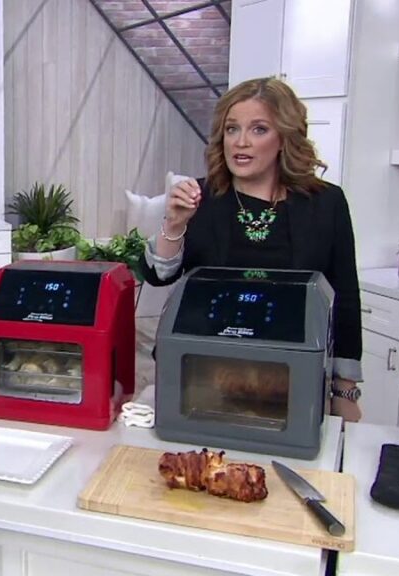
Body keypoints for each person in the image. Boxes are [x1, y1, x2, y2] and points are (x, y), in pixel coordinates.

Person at [141, 77, 363, 422]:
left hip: (292, 375)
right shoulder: (199, 196)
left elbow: (345, 295)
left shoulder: (326, 202)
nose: (240, 142)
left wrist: (344, 390)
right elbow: (159, 275)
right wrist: (174, 225)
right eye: (232, 129)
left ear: (284, 138)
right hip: (202, 372)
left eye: (259, 129)